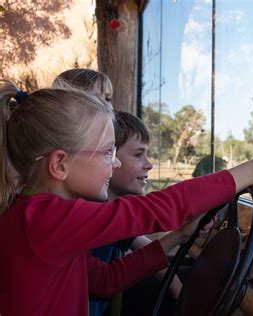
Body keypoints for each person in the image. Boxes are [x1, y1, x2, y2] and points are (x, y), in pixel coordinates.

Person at [0, 79, 253, 315]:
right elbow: (157, 208)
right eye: (109, 152)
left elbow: (106, 280)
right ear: (60, 164)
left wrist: (179, 236)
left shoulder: (43, 220)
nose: (117, 162)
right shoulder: (43, 220)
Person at [53, 69, 205, 315]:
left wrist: (180, 237)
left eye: (108, 99)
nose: (108, 110)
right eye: (108, 153)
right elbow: (106, 280)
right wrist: (252, 171)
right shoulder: (79, 213)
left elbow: (132, 257)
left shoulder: (106, 210)